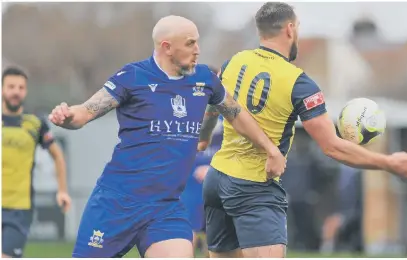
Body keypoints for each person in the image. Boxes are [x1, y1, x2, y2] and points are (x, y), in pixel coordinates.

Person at [198, 2, 407, 258]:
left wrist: (204, 137)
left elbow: (215, 100)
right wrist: (388, 162)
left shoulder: (234, 61)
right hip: (254, 185)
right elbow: (332, 146)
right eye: (298, 27)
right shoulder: (300, 83)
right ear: (289, 29)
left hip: (217, 179)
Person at [48, 15, 286, 258]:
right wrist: (67, 116)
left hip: (166, 208)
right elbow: (85, 112)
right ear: (167, 47)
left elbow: (236, 113)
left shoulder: (205, 80)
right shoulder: (133, 76)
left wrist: (271, 149)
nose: (198, 50)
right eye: (191, 43)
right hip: (116, 203)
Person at [2, 67, 72, 258]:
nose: (16, 91)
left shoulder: (35, 124)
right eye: (11, 86)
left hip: (19, 209)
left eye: (20, 87)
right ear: (2, 89)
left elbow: (57, 156)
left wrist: (63, 190)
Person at [180, 109, 224, 257]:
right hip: (190, 181)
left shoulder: (229, 107)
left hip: (222, 178)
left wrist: (214, 168)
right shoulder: (185, 108)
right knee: (187, 228)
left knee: (218, 231)